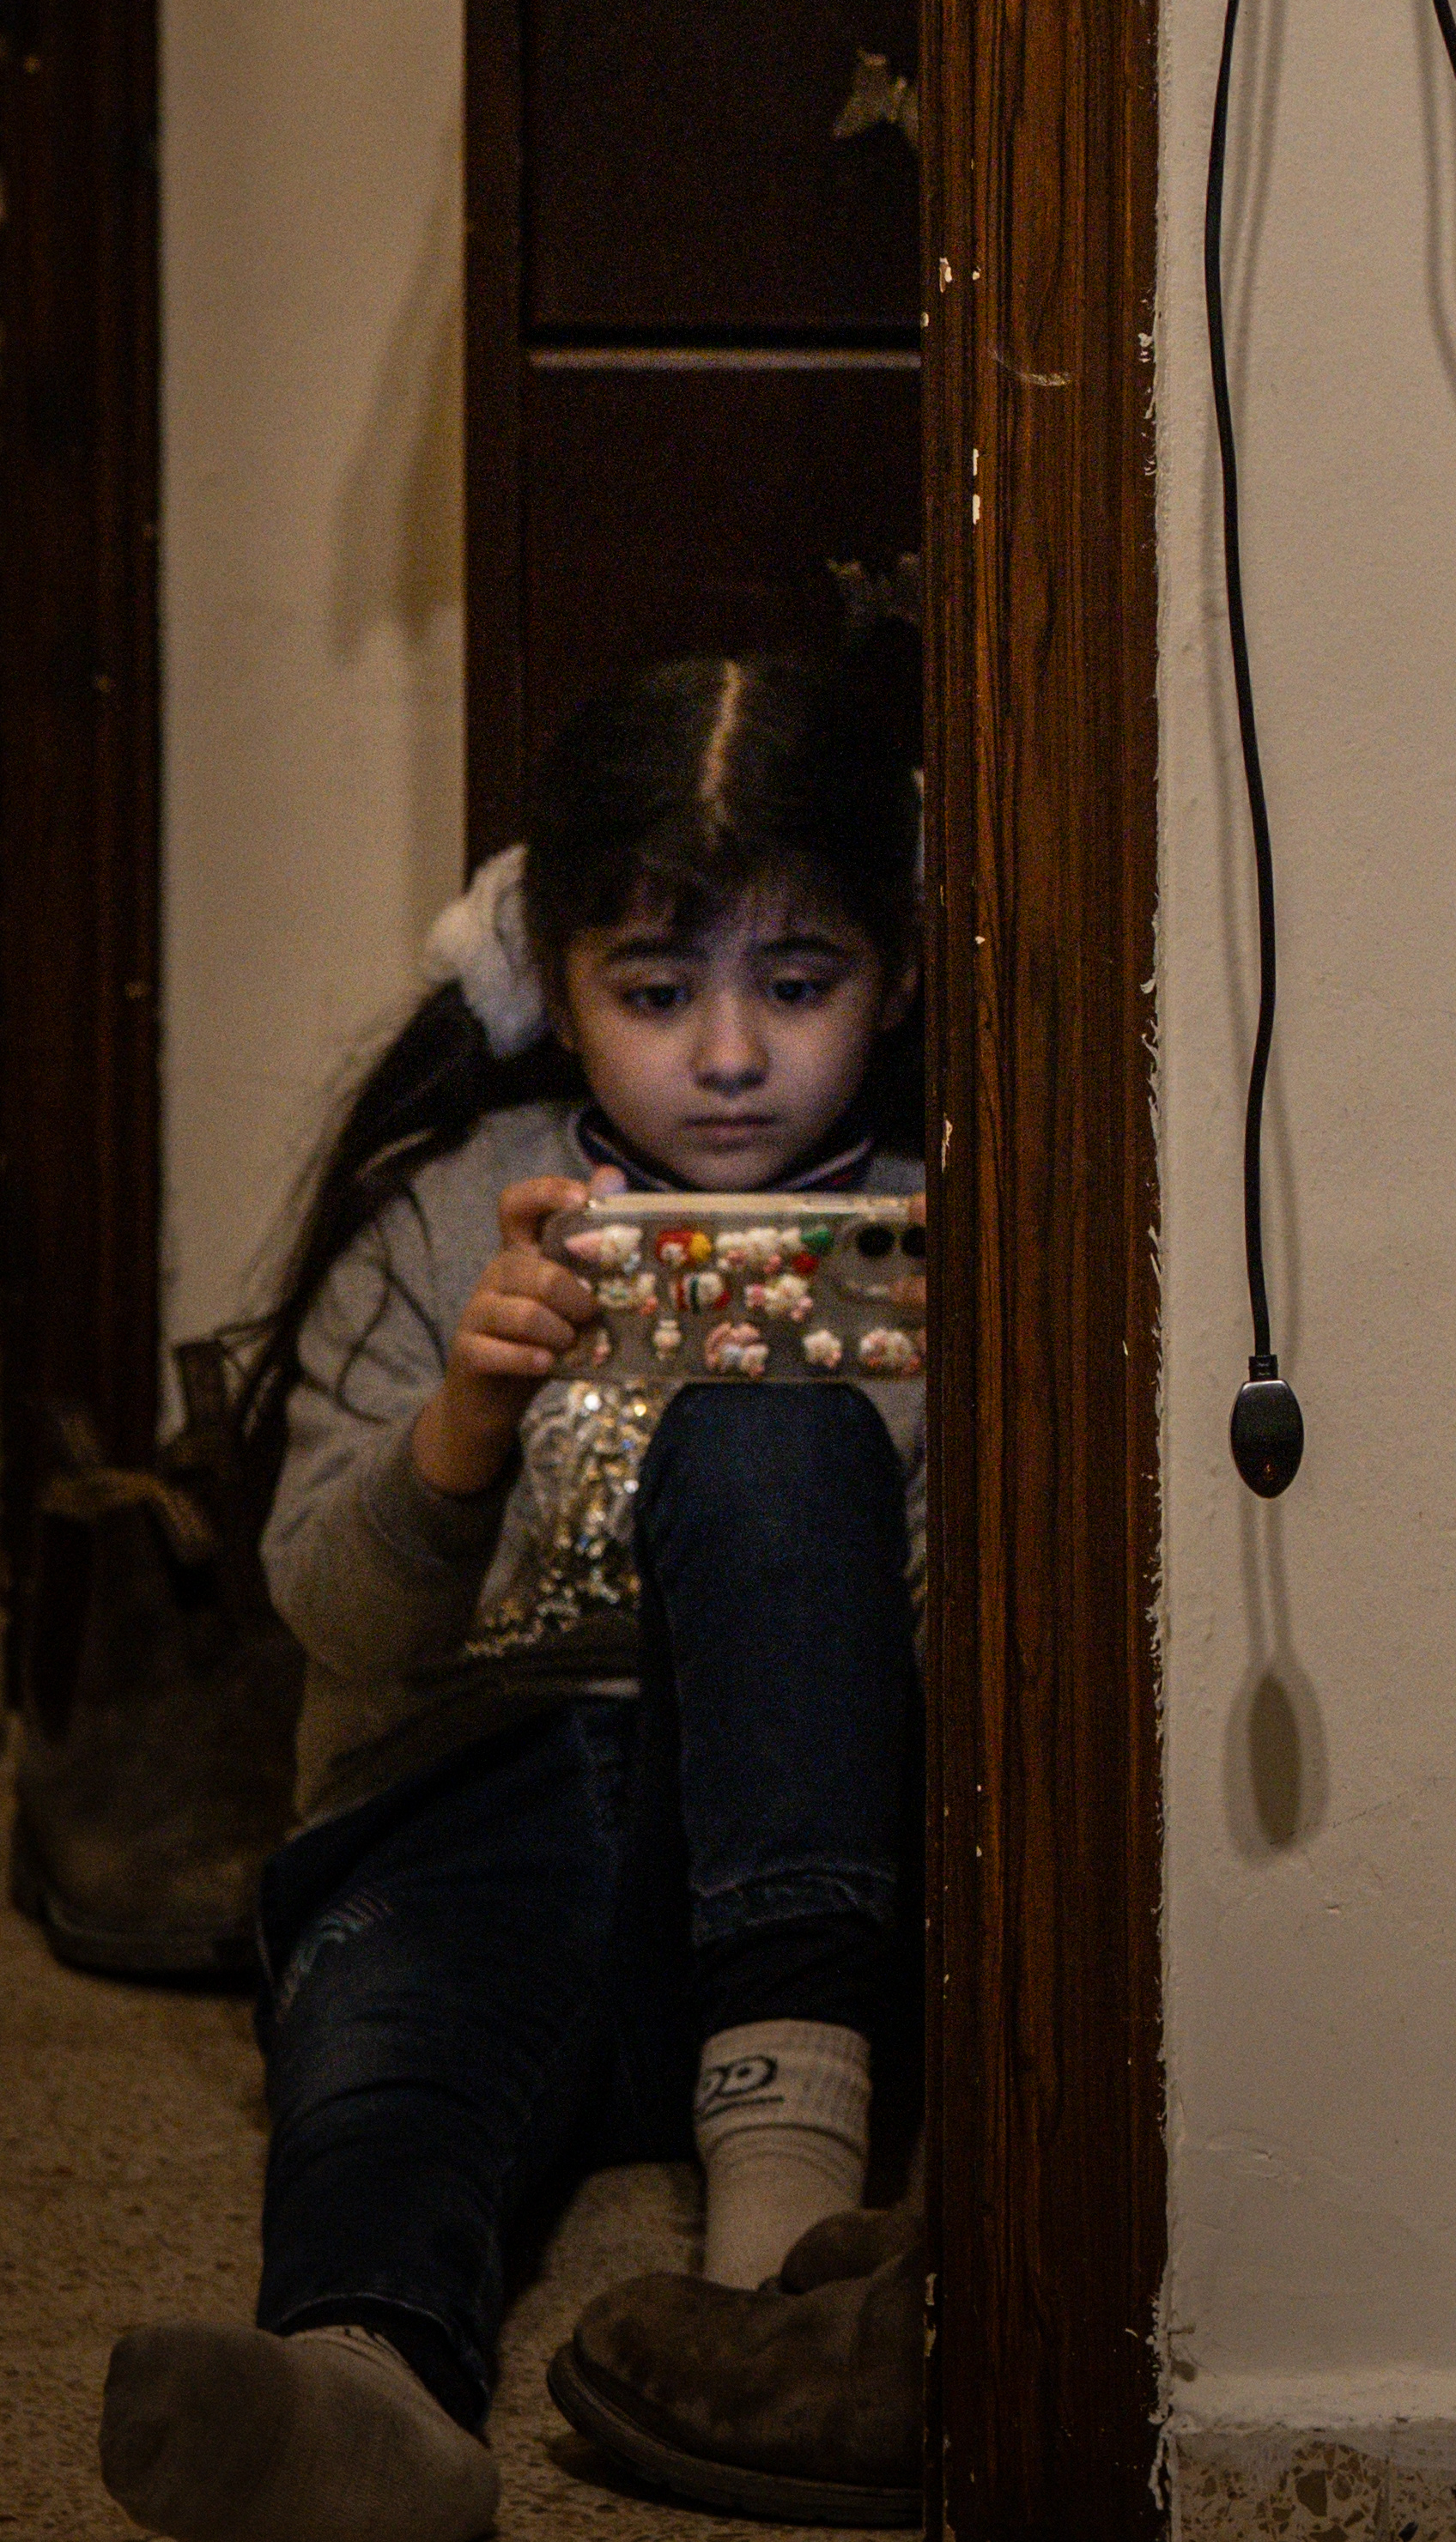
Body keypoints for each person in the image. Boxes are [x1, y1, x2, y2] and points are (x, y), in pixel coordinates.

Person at [101, 654, 927, 2542]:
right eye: (655, 991)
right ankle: (358, 2384)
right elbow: (330, 1616)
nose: (728, 1053)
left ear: (891, 978)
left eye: (797, 985)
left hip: (795, 1906)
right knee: (392, 2070)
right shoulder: (449, 1200)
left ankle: (781, 2283)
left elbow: (975, 1686)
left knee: (778, 1435)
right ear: (550, 981)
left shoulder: (945, 1232)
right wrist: (463, 1422)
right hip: (459, 1830)